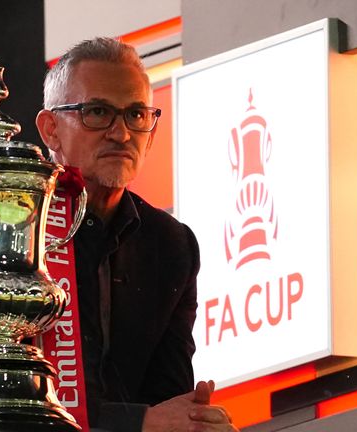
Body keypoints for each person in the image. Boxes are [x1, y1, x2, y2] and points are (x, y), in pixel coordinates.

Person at [34, 37, 237, 432]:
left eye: (136, 115)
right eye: (97, 112)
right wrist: (142, 422)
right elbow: (5, 403)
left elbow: (168, 397)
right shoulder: (1, 223)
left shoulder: (172, 244)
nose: (121, 133)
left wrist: (196, 420)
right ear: (51, 130)